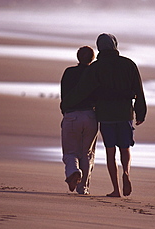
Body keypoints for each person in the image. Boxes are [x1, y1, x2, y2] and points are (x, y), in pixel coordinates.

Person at [61, 33, 147, 197]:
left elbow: (82, 90)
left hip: (106, 115)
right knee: (125, 148)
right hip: (125, 113)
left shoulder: (96, 67)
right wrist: (141, 112)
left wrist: (66, 104)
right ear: (115, 45)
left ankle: (116, 189)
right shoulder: (129, 64)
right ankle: (126, 173)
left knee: (110, 151)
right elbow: (139, 90)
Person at [60, 46, 98, 195]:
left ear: (78, 57)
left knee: (70, 152)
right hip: (90, 116)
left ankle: (73, 171)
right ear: (92, 58)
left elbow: (64, 95)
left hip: (72, 115)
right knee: (87, 153)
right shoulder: (94, 74)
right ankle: (83, 188)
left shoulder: (69, 72)